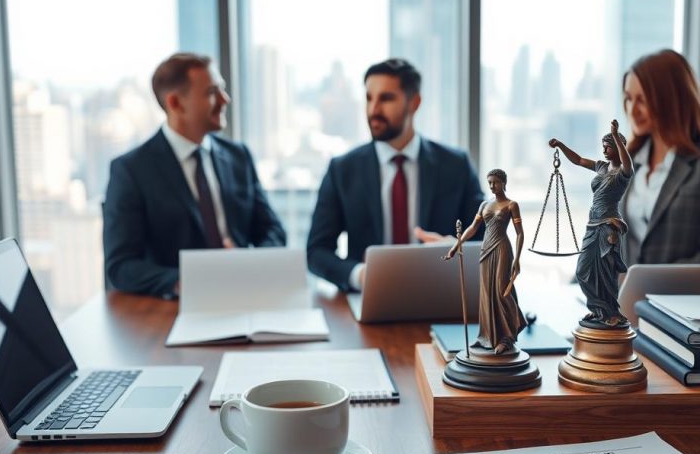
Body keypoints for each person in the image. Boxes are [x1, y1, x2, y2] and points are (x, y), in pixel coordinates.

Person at [103, 53, 285, 297]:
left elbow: (273, 232)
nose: (225, 100)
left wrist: (248, 261)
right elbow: (121, 266)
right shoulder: (131, 170)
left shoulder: (239, 156)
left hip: (246, 295)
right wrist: (187, 281)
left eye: (222, 89)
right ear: (176, 103)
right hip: (173, 310)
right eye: (212, 92)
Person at [306, 58, 484, 291]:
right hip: (368, 296)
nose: (374, 110)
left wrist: (459, 250)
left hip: (441, 292)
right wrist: (359, 275)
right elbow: (317, 252)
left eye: (386, 98)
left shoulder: (456, 165)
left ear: (414, 103)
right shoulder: (342, 170)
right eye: (369, 98)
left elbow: (487, 241)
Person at [620, 49, 700, 265]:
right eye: (628, 99)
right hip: (621, 297)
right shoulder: (627, 161)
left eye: (642, 100)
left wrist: (662, 279)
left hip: (676, 297)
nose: (632, 110)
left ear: (669, 99)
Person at [549, 121, 633, 328]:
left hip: (608, 227)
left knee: (606, 273)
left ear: (618, 147)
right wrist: (561, 145)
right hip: (592, 225)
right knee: (583, 271)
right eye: (603, 146)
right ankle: (598, 311)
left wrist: (616, 136)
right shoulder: (600, 167)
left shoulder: (623, 173)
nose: (604, 150)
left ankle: (611, 313)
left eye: (608, 146)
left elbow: (628, 163)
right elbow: (577, 160)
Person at [443, 169, 526, 354]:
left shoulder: (511, 205)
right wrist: (457, 245)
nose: (491, 186)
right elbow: (473, 228)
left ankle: (508, 336)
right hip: (485, 250)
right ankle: (487, 336)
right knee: (487, 293)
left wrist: (518, 259)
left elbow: (520, 233)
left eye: (495, 182)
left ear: (503, 182)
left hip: (502, 248)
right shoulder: (484, 205)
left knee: (502, 290)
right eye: (489, 182)